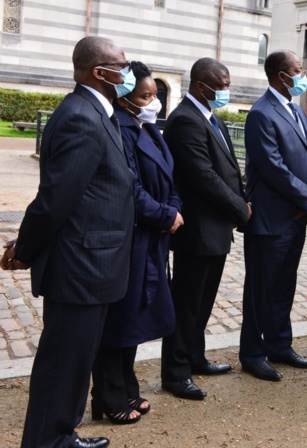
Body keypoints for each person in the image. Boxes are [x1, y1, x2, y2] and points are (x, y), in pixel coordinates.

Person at [1, 36, 135, 448]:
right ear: (100, 72)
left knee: (77, 360)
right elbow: (56, 199)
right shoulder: (81, 116)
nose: (128, 72)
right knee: (63, 362)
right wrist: (24, 250)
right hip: (81, 265)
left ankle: (61, 433)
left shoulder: (98, 111)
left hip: (95, 264)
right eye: (122, 65)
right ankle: (46, 440)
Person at [91, 61, 182, 425]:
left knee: (135, 319)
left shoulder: (149, 128)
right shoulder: (120, 128)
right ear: (126, 98)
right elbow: (130, 187)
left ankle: (126, 385)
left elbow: (170, 179)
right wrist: (164, 214)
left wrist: (173, 208)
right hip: (132, 237)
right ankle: (108, 395)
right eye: (146, 96)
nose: (153, 102)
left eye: (155, 95)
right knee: (119, 318)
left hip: (154, 237)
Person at [161, 58, 251, 399]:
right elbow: (203, 177)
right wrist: (241, 209)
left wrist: (239, 203)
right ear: (202, 86)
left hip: (216, 227)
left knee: (203, 301)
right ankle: (176, 372)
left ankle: (195, 357)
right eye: (222, 85)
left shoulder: (210, 117)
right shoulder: (185, 120)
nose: (227, 91)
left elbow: (228, 168)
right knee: (186, 303)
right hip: (197, 229)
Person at [239, 50, 307, 381]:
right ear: (279, 75)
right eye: (297, 71)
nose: (304, 76)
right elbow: (273, 168)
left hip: (296, 216)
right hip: (271, 219)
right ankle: (252, 353)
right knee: (261, 289)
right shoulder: (262, 113)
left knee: (284, 284)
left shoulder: (296, 109)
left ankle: (279, 345)